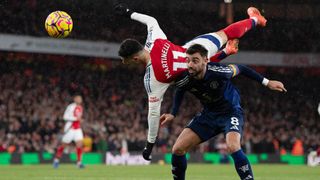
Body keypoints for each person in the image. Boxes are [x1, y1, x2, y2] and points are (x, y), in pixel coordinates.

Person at [114, 2, 267, 160]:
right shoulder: (155, 40)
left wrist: (149, 145)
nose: (125, 64)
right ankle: (254, 21)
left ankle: (227, 51)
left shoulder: (153, 79)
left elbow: (153, 115)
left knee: (196, 69)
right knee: (225, 33)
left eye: (126, 61)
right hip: (196, 48)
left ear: (135, 58)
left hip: (196, 77)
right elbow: (151, 21)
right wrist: (129, 13)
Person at [160, 44, 286, 180]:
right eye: (188, 60)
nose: (190, 64)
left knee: (233, 146)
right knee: (177, 149)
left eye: (195, 60)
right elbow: (180, 90)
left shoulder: (219, 71)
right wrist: (173, 113)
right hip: (208, 115)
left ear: (206, 60)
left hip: (230, 113)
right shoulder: (185, 77)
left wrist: (267, 82)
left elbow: (241, 68)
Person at [53, 95, 85, 168]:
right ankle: (56, 160)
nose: (79, 100)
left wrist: (79, 120)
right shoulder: (71, 107)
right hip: (70, 128)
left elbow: (79, 118)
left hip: (78, 129)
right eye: (78, 98)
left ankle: (79, 162)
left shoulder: (80, 107)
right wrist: (76, 119)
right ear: (74, 99)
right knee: (63, 145)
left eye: (80, 99)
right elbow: (65, 117)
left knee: (80, 144)